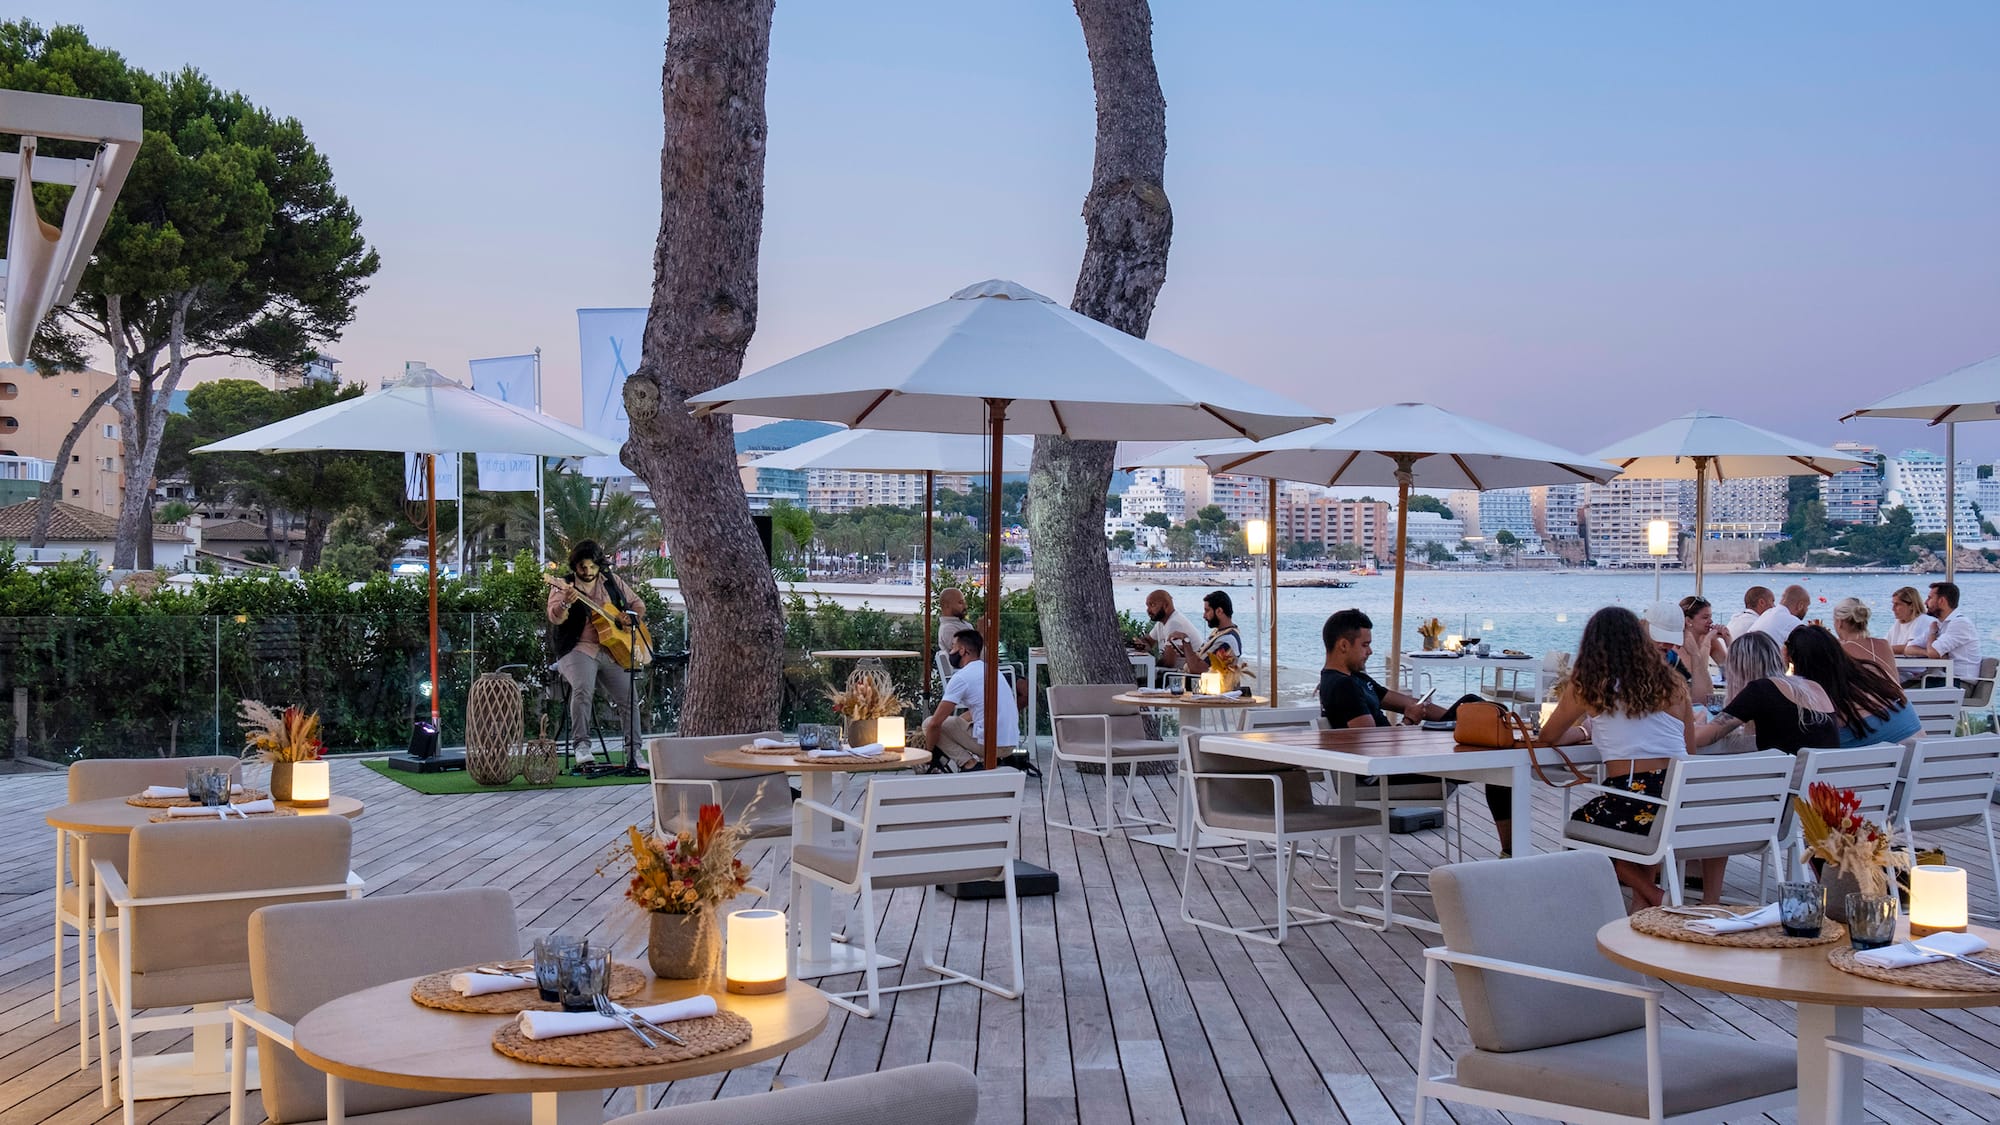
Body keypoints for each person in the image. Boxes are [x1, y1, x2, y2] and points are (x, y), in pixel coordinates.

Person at [1318, 609, 1582, 857]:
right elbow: (1371, 744)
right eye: (1364, 645)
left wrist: (1452, 715)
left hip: (1400, 759)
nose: (1370, 651)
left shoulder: (1358, 680)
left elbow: (1408, 705)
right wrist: (1410, 721)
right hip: (1387, 773)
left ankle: (1511, 851)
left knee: (1487, 733)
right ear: (1343, 645)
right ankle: (1512, 851)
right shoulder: (1342, 686)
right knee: (1495, 751)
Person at [1539, 606, 1703, 909]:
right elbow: (1689, 752)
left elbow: (1547, 737)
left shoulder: (1590, 685)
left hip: (1636, 793)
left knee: (1580, 830)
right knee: (1643, 834)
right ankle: (1642, 915)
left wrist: (1584, 731)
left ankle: (1655, 896)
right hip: (1681, 795)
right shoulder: (1674, 682)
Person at [546, 539, 646, 767]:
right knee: (583, 688)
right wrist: (565, 605)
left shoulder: (611, 581)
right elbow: (555, 617)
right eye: (583, 567)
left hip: (612, 650)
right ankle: (581, 747)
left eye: (593, 567)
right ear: (575, 566)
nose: (588, 572)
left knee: (629, 696)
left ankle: (634, 753)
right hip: (578, 648)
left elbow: (638, 604)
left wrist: (630, 617)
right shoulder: (563, 585)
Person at [1692, 631, 1838, 756]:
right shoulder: (1813, 687)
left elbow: (1699, 738)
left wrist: (1700, 717)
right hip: (1823, 783)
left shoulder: (1760, 689)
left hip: (1790, 783)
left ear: (1738, 669)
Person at [1786, 624, 1920, 748]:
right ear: (1838, 649)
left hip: (1876, 770)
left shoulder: (1824, 707)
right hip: (1924, 767)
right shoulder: (1875, 674)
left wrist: (1781, 667)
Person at [925, 628, 1020, 771]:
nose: (950, 652)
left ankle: (969, 764)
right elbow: (978, 711)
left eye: (952, 647)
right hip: (1010, 743)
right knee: (954, 721)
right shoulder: (992, 671)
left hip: (991, 746)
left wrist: (928, 753)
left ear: (962, 650)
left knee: (928, 723)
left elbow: (934, 724)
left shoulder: (962, 677)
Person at [1912, 581, 1982, 684]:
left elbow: (1934, 652)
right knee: (1892, 692)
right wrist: (1927, 652)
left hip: (1959, 683)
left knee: (1897, 697)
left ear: (1942, 601)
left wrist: (1932, 633)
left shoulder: (1960, 623)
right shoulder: (1939, 624)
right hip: (1939, 678)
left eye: (1930, 598)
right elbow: (1909, 648)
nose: (1925, 602)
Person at [1830, 597, 1898, 684]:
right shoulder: (1884, 644)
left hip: (1862, 697)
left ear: (1839, 622)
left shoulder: (1841, 650)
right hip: (1896, 697)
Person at [1676, 595, 1730, 702]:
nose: (1711, 621)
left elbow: (1730, 672)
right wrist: (1706, 643)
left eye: (1710, 617)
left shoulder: (1710, 641)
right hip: (1682, 699)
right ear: (1688, 621)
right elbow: (1697, 676)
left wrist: (1727, 639)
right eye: (1705, 618)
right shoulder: (1677, 643)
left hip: (1703, 698)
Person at [1133, 589, 1202, 671]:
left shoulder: (1174, 623)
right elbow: (1148, 640)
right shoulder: (1162, 623)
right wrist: (1141, 644)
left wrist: (1151, 663)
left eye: (1152, 605)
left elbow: (1168, 662)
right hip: (1173, 673)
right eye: (1147, 606)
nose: (1148, 610)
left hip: (1183, 676)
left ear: (1166, 605)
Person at [1642, 601, 1695, 686]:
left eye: (1670, 639)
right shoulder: (1625, 660)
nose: (1663, 644)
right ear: (1644, 627)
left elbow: (1700, 696)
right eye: (1658, 636)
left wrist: (1695, 654)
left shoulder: (1673, 659)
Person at [1886, 584, 1940, 657]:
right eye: (1893, 604)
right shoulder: (1898, 623)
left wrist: (1881, 649)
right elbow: (1885, 643)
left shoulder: (1923, 620)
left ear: (1911, 606)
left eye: (1897, 604)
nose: (1893, 608)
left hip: (1914, 667)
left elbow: (1908, 648)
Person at [937, 587, 975, 656]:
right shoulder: (948, 629)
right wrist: (982, 633)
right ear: (947, 605)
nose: (965, 606)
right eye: (960, 603)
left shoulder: (960, 623)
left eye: (964, 603)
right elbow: (968, 656)